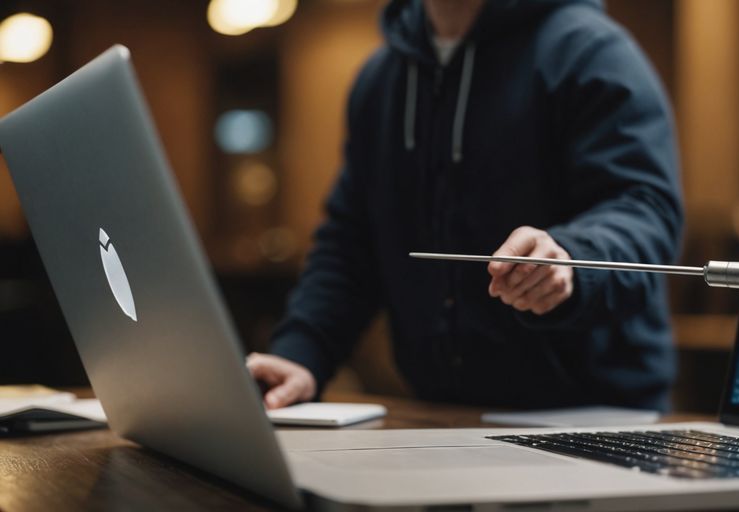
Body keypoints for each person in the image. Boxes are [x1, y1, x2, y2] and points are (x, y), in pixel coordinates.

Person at [246, 0, 684, 412]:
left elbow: (645, 211)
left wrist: (572, 258)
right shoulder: (380, 81)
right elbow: (350, 245)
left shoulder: (590, 52)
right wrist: (302, 353)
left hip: (594, 416)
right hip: (446, 416)